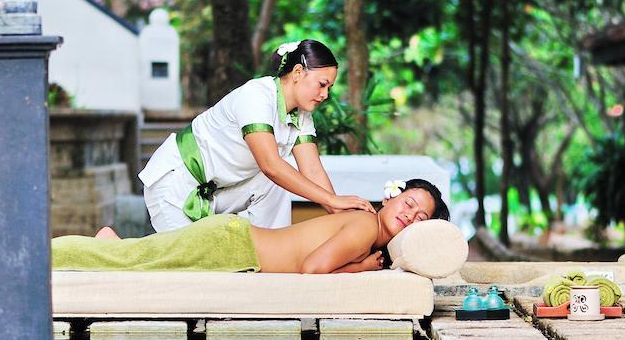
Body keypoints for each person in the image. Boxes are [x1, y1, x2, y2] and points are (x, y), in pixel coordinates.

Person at [138, 39, 375, 233]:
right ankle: (114, 244)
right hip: (176, 184)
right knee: (183, 264)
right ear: (298, 72)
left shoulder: (301, 115)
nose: (325, 95)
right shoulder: (256, 96)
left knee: (278, 184)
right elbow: (270, 165)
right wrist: (334, 201)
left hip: (217, 193)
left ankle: (272, 253)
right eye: (322, 84)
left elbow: (312, 171)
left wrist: (345, 218)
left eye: (329, 88)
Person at [51, 178, 449, 275]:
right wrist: (360, 270)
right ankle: (44, 257)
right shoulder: (365, 226)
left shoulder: (369, 230)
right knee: (132, 264)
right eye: (408, 203)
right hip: (231, 246)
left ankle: (110, 242)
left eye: (419, 218)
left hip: (235, 245)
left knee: (136, 259)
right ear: (389, 197)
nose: (409, 215)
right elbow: (312, 271)